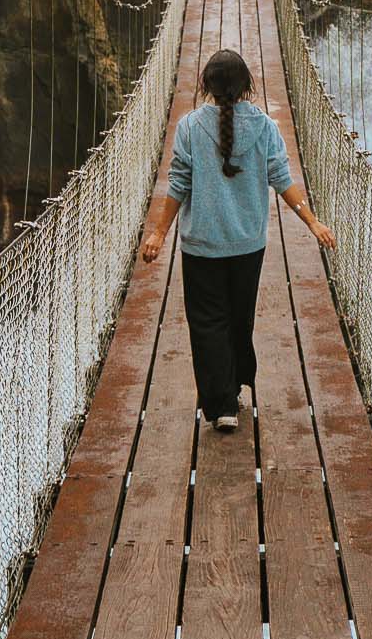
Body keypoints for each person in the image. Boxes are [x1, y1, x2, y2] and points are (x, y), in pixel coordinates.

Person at [140, 48, 335, 430]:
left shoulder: (191, 127)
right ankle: (236, 384)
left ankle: (222, 404)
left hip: (202, 245)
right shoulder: (264, 127)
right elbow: (282, 179)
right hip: (248, 243)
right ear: (248, 85)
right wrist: (313, 222)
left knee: (208, 321)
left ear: (205, 87)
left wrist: (159, 232)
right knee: (239, 317)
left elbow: (178, 182)